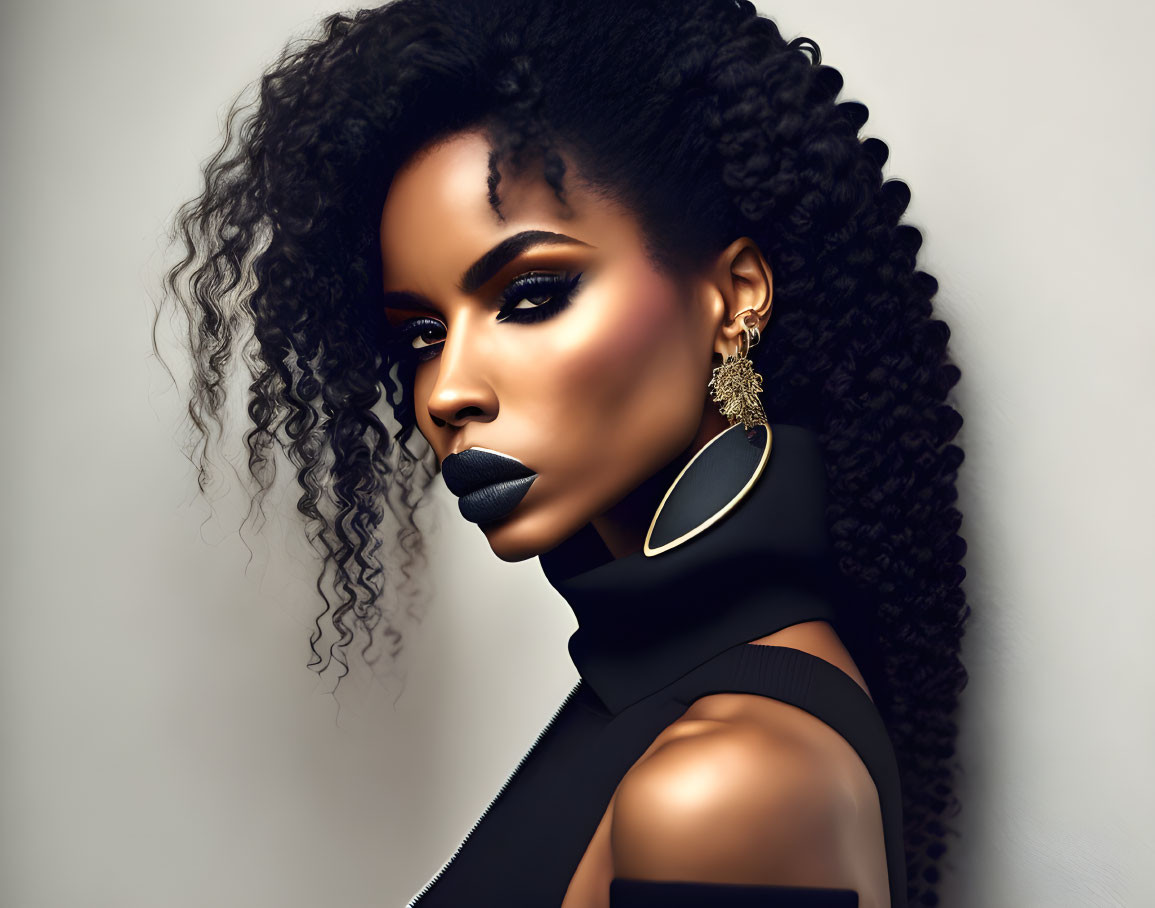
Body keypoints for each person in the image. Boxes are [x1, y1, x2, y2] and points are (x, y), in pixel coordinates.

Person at [155, 0, 969, 905]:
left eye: (532, 294)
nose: (445, 391)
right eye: (423, 332)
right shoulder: (651, 685)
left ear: (734, 297)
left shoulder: (728, 782)